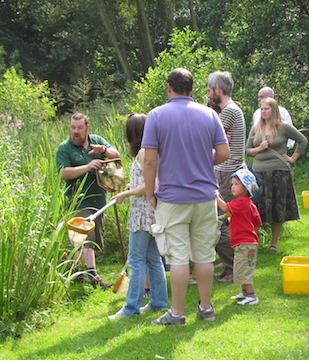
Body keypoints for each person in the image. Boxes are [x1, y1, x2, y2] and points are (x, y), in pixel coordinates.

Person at [142, 68, 230, 326]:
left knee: (178, 258)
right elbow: (224, 153)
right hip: (204, 196)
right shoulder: (209, 114)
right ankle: (205, 308)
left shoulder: (156, 115)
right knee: (204, 255)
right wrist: (205, 160)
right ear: (192, 89)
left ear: (169, 87)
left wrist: (150, 193)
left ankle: (177, 314)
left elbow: (149, 161)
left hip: (172, 198)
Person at [108, 113, 168, 320]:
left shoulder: (144, 152)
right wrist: (131, 187)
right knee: (153, 259)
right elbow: (146, 181)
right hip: (150, 212)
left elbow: (155, 183)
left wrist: (128, 193)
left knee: (136, 260)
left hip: (143, 214)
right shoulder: (148, 152)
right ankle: (159, 302)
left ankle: (131, 307)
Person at [56, 112, 120, 289]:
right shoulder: (65, 148)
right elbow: (62, 173)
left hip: (100, 201)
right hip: (78, 201)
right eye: (72, 128)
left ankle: (75, 273)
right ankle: (93, 277)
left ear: (87, 128)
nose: (75, 131)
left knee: (90, 241)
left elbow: (117, 156)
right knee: (85, 238)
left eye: (79, 128)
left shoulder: (97, 140)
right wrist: (87, 167)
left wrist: (104, 151)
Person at [246, 97, 308, 252]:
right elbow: (247, 150)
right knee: (256, 207)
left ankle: (274, 242)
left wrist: (293, 158)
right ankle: (255, 241)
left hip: (278, 171)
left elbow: (303, 141)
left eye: (266, 108)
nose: (263, 111)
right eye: (262, 109)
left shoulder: (283, 127)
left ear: (274, 110)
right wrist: (259, 148)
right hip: (258, 172)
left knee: (277, 207)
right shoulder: (256, 128)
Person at [207, 71, 246, 284]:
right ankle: (230, 267)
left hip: (226, 172)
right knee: (225, 222)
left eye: (209, 90)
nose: (207, 94)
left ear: (218, 90)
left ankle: (233, 270)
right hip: (229, 171)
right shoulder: (230, 110)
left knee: (220, 222)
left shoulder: (228, 112)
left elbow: (208, 139)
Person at [216, 169, 262, 305]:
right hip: (245, 243)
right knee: (240, 268)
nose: (232, 186)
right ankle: (244, 293)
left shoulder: (241, 202)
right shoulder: (247, 203)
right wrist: (251, 234)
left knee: (244, 269)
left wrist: (215, 195)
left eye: (236, 184)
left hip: (244, 243)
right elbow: (257, 223)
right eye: (232, 184)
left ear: (246, 188)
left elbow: (224, 208)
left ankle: (252, 296)